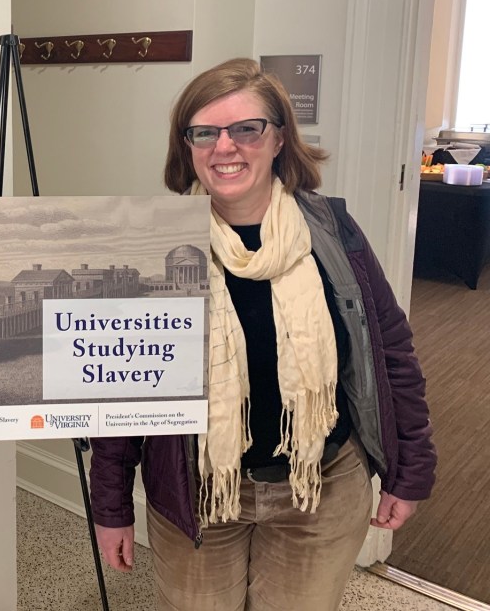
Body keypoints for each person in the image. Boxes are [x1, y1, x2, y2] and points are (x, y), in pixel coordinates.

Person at [90, 58, 436, 611]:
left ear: (278, 139)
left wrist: (411, 469)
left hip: (321, 486)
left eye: (246, 129)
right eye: (205, 132)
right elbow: (122, 386)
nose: (225, 147)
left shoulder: (334, 233)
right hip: (200, 492)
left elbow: (391, 352)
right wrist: (111, 507)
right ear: (187, 146)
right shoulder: (154, 247)